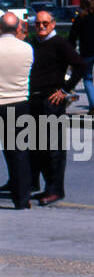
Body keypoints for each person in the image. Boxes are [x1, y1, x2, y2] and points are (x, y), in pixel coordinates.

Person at [27, 9, 85, 206]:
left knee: (54, 148)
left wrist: (65, 90)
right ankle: (43, 186)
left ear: (52, 24)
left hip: (52, 102)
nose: (41, 27)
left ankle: (55, 190)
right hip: (34, 100)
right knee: (37, 147)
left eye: (45, 23)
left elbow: (80, 65)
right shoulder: (34, 44)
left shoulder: (59, 43)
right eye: (38, 24)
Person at [0, 11, 35, 208]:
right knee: (19, 152)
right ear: (18, 29)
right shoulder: (27, 49)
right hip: (18, 102)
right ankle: (21, 198)